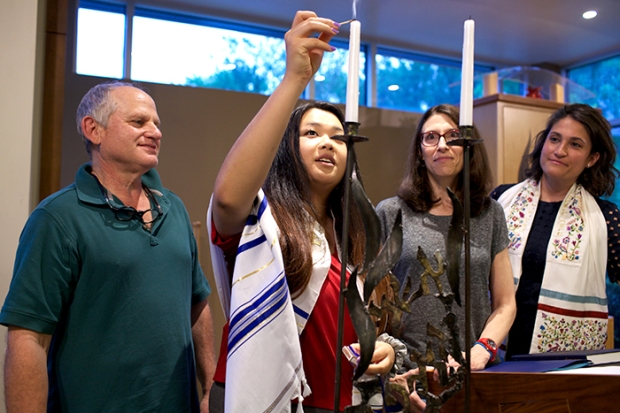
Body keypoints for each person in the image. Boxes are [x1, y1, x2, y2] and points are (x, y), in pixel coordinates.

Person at [207, 11, 402, 413]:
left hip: (336, 400)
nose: (328, 143)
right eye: (311, 134)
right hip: (266, 393)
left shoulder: (355, 233)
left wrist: (380, 347)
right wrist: (294, 78)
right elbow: (225, 199)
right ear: (287, 148)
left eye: (338, 136)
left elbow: (355, 323)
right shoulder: (260, 220)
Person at [0, 82, 216, 412]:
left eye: (157, 124)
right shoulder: (57, 218)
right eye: (139, 122)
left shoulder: (175, 208)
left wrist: (210, 388)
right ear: (93, 130)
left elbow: (197, 303)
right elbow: (28, 337)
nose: (155, 132)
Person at [375, 104, 516, 410]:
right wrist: (391, 372)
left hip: (473, 374)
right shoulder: (390, 213)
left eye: (453, 136)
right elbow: (369, 308)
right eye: (431, 137)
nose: (442, 145)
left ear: (467, 147)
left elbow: (505, 303)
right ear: (419, 152)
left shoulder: (490, 214)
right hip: (407, 377)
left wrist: (483, 349)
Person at [491, 103, 620, 359]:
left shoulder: (604, 217)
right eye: (555, 139)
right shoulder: (500, 200)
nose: (559, 151)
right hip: (495, 350)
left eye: (575, 144)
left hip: (567, 361)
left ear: (592, 159)